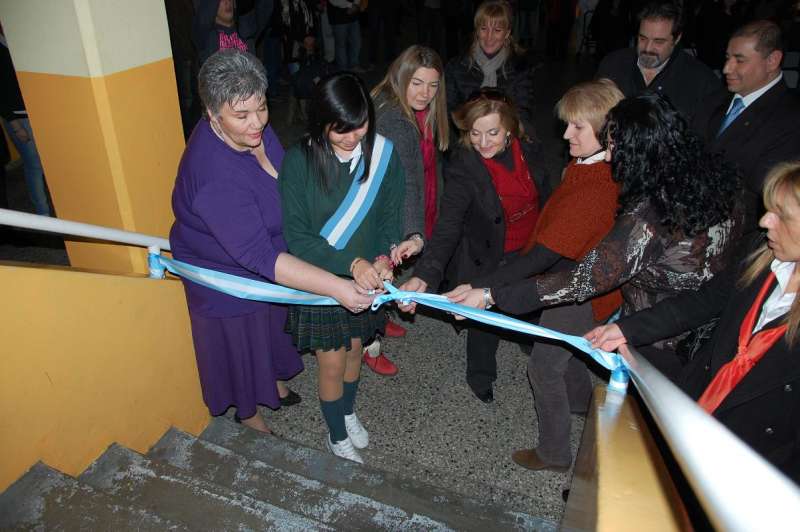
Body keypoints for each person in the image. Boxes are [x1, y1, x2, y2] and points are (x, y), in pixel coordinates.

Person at [448, 93, 745, 381]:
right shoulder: (713, 180)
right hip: (707, 325)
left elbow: (586, 278)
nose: (610, 155)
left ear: (639, 151)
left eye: (614, 146)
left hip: (661, 339)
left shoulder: (652, 215)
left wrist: (491, 295)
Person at [170, 49, 372, 435]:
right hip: (224, 273)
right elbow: (258, 255)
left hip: (267, 251)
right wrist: (338, 287)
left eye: (261, 107)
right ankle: (250, 416)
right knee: (243, 342)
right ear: (212, 114)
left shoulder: (250, 130)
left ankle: (273, 381)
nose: (257, 123)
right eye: (241, 115)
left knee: (269, 325)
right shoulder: (215, 175)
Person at [587, 161, 800, 483]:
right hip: (697, 407)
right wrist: (626, 328)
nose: (764, 221)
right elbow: (705, 301)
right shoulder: (761, 252)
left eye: (781, 215)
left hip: (749, 463)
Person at [451, 79, 625, 471]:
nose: (565, 135)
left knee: (544, 367)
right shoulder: (591, 165)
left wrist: (484, 288)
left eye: (578, 126)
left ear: (606, 130)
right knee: (571, 349)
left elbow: (545, 254)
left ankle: (554, 453)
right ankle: (582, 405)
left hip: (577, 290)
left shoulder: (596, 187)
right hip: (578, 282)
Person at [279, 72, 410, 463]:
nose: (353, 137)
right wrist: (351, 262)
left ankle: (348, 412)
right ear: (321, 121)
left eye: (360, 125)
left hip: (366, 280)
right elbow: (298, 238)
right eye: (341, 129)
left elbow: (390, 214)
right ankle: (336, 435)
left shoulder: (382, 155)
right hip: (322, 279)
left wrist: (385, 256)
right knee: (333, 363)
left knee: (355, 353)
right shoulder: (299, 161)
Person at [399, 88, 551, 403]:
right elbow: (448, 225)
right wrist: (424, 274)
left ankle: (527, 336)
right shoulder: (464, 165)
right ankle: (480, 375)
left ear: (509, 128)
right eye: (474, 133)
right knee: (483, 319)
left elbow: (547, 193)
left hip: (531, 247)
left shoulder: (529, 146)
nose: (483, 143)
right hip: (489, 253)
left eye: (492, 133)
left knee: (529, 301)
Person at [361, 45, 450, 376]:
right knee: (375, 272)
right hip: (383, 211)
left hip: (389, 205)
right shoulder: (395, 120)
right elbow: (409, 180)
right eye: (417, 83)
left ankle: (380, 318)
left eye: (433, 85)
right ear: (401, 78)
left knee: (385, 270)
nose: (425, 93)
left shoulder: (406, 106)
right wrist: (414, 231)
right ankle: (369, 343)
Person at [693, 20, 800, 230]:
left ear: (772, 60)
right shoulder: (713, 99)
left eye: (739, 60)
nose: (726, 68)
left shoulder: (791, 120)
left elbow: (761, 198)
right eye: (727, 58)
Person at [596, 0, 720, 124]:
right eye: (643, 38)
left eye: (658, 42)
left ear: (677, 38)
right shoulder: (612, 65)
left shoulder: (702, 82)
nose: (648, 48)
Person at [445, 0, 537, 133]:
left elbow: (522, 115)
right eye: (483, 29)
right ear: (477, 30)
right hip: (466, 139)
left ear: (507, 33)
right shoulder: (456, 67)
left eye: (497, 30)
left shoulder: (520, 68)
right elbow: (449, 114)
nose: (489, 37)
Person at [193, 0, 273, 67]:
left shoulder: (246, 30)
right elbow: (203, 18)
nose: (227, 2)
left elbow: (265, 7)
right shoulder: (207, 36)